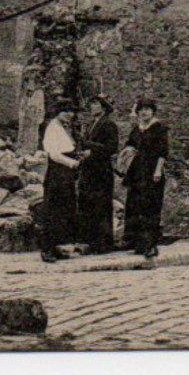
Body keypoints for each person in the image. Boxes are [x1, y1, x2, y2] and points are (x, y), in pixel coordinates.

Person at [120, 97, 168, 258]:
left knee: (150, 208)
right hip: (136, 172)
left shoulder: (159, 128)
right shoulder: (137, 129)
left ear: (152, 111)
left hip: (151, 171)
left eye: (147, 109)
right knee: (135, 206)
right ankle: (137, 243)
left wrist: (158, 171)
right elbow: (129, 144)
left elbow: (163, 152)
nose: (144, 112)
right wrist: (128, 152)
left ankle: (151, 245)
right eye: (141, 109)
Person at [75, 95, 119, 253]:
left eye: (96, 104)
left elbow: (112, 148)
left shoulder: (109, 124)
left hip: (101, 170)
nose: (92, 107)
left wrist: (90, 150)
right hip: (89, 170)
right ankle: (90, 242)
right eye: (92, 104)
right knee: (89, 205)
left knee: (101, 205)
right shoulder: (90, 124)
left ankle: (103, 244)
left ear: (103, 107)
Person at [38, 100, 80, 262]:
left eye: (71, 111)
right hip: (58, 171)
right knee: (53, 209)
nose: (69, 114)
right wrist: (72, 163)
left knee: (63, 209)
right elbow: (54, 154)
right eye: (66, 111)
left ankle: (57, 246)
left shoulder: (65, 127)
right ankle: (46, 248)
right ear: (58, 112)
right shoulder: (52, 128)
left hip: (66, 173)